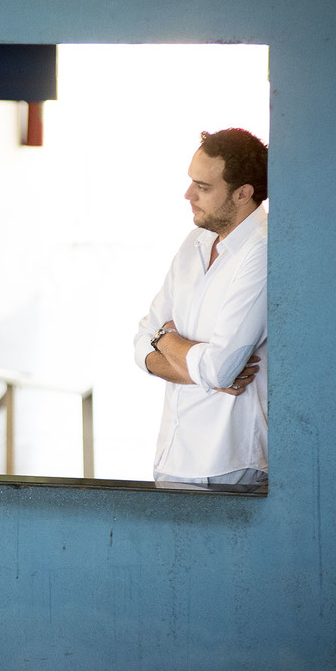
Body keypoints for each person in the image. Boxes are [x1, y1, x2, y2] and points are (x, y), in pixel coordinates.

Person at [134, 128, 268, 490]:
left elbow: (220, 369)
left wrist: (165, 339)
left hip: (228, 465)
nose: (188, 195)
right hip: (172, 456)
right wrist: (192, 362)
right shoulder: (195, 241)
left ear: (243, 193)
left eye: (203, 187)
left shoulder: (262, 251)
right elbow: (140, 343)